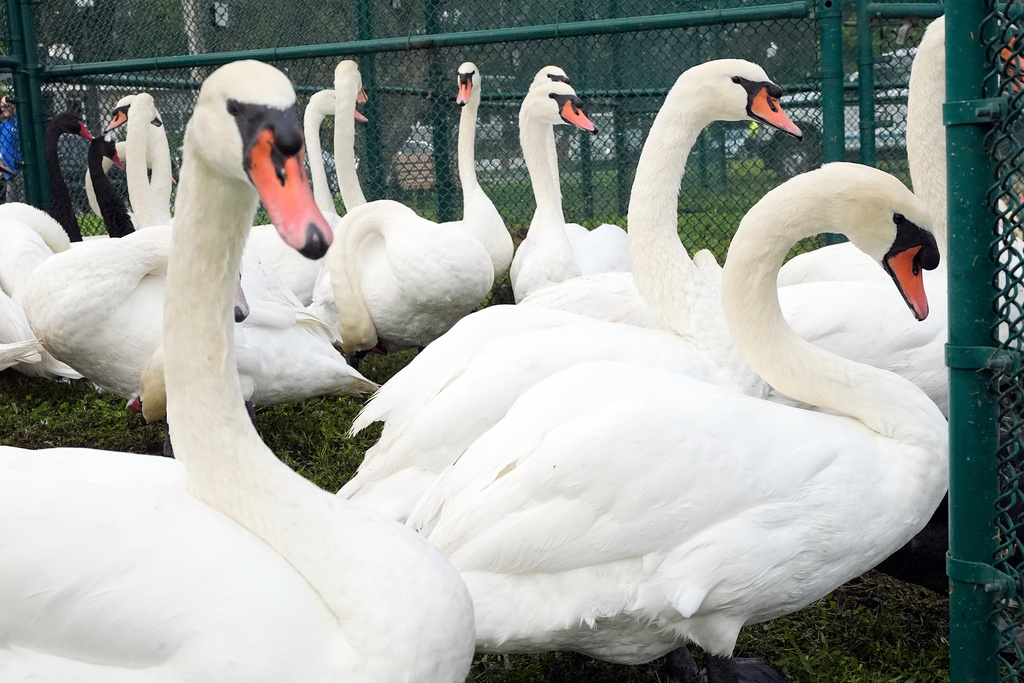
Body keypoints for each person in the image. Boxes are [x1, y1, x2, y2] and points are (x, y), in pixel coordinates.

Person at [0, 95, 22, 203]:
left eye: (6, 106)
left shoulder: (19, 122)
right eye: (2, 106)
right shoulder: (4, 124)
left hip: (19, 170)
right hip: (6, 171)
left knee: (14, 201)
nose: (4, 109)